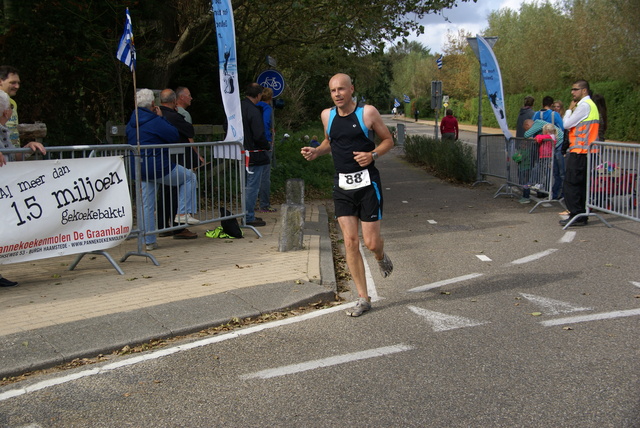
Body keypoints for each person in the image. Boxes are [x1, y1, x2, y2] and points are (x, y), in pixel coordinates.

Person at [301, 73, 394, 317]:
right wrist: (316, 152)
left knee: (371, 242)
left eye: (341, 89)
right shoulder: (327, 115)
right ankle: (363, 298)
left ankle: (380, 254)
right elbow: (330, 141)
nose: (337, 94)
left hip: (367, 185)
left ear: (352, 89)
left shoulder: (367, 113)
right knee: (350, 241)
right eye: (333, 91)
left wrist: (373, 155)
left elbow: (388, 140)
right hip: (342, 185)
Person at [126, 89, 200, 250]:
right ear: (153, 104)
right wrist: (161, 118)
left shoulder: (132, 121)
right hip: (158, 165)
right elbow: (173, 135)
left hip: (139, 168)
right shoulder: (155, 119)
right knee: (189, 177)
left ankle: (149, 241)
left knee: (147, 204)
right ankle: (182, 213)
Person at [0, 89, 46, 287]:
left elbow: (13, 157)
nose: (11, 111)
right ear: (5, 112)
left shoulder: (4, 131)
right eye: (10, 107)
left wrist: (28, 146)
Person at [156, 88, 198, 240]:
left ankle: (162, 226)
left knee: (164, 193)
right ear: (174, 100)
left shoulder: (155, 115)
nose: (191, 98)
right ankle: (179, 227)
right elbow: (189, 130)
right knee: (180, 189)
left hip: (160, 160)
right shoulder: (174, 116)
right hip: (176, 160)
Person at [560, 79, 600, 227]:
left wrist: (569, 110)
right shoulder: (590, 105)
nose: (572, 92)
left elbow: (566, 124)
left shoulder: (584, 106)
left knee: (572, 184)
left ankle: (577, 214)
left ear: (584, 90)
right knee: (579, 185)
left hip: (580, 151)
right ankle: (579, 214)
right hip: (585, 151)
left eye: (575, 89)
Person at [240, 83, 271, 227]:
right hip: (254, 153)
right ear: (258, 95)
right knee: (252, 186)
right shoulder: (254, 110)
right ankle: (248, 215)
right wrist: (266, 145)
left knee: (245, 185)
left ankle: (244, 213)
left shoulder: (238, 107)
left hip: (240, 151)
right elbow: (259, 134)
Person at [524, 118, 565, 200]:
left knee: (559, 173)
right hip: (549, 153)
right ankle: (553, 193)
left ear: (528, 125)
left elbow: (527, 135)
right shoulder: (546, 132)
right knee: (555, 173)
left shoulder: (538, 124)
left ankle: (559, 193)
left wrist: (537, 137)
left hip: (553, 152)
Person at [256, 86, 276, 213]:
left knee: (253, 175)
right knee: (265, 175)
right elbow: (265, 123)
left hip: (254, 143)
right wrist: (269, 139)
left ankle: (251, 204)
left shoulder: (254, 106)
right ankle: (264, 204)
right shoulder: (267, 108)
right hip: (265, 142)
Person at [0, 66, 21, 148]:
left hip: (12, 153)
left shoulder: (12, 102)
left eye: (18, 83)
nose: (17, 86)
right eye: (13, 83)